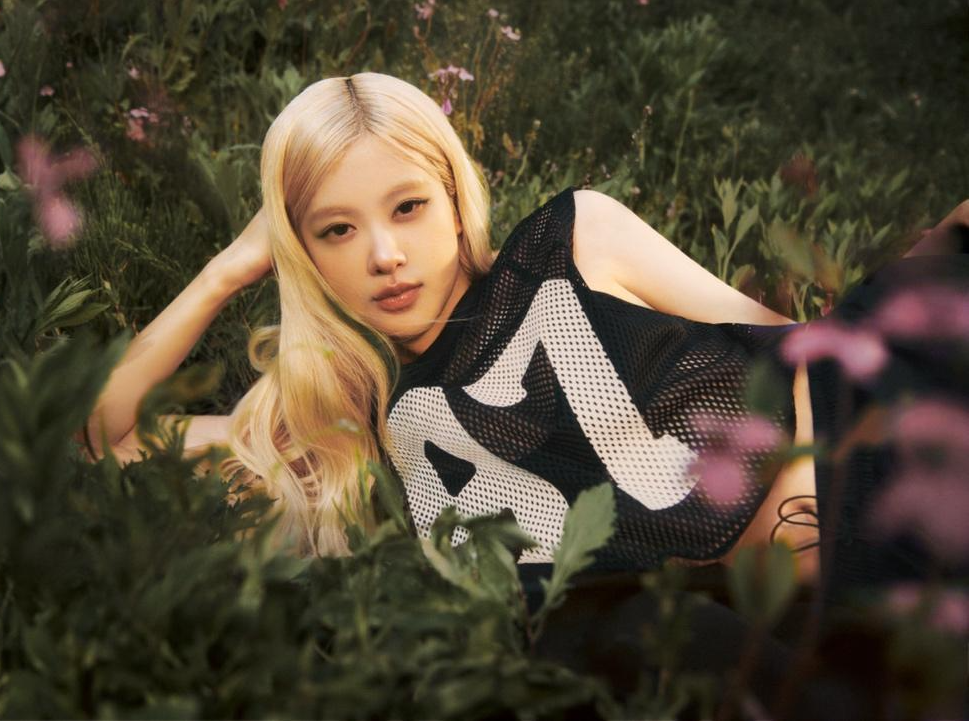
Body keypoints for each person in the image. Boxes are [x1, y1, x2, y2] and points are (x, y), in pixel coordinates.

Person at [79, 72, 968, 602]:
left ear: (454, 194)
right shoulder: (354, 429)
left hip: (882, 431)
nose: (385, 256)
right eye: (336, 230)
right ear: (302, 252)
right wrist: (228, 268)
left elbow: (793, 342)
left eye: (407, 207)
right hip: (834, 583)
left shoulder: (575, 237)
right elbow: (107, 436)